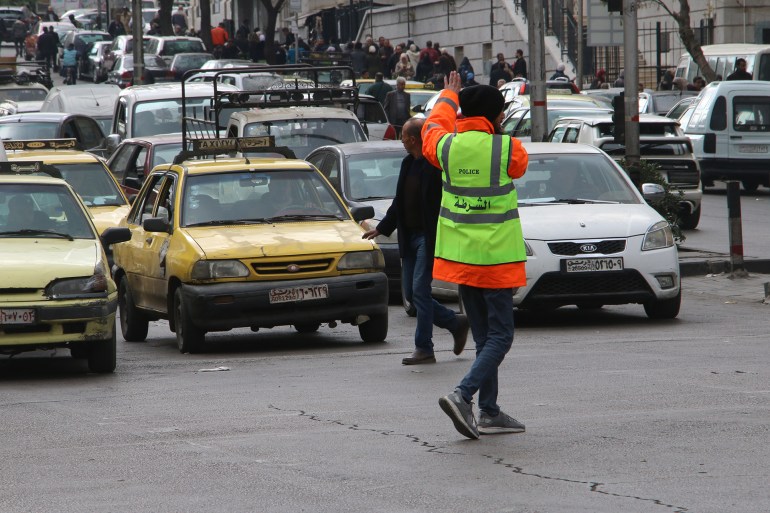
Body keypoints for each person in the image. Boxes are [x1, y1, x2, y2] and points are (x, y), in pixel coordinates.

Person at [423, 70, 529, 439]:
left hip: (462, 259)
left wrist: (449, 98)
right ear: (495, 117)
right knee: (501, 338)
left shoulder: (446, 145)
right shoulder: (507, 147)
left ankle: (489, 411)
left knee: (485, 339)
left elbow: (429, 130)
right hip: (496, 259)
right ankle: (462, 394)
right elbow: (519, 166)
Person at [363, 118, 470, 365]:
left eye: (403, 136)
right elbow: (399, 202)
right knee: (411, 293)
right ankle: (455, 322)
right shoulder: (407, 163)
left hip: (428, 237)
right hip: (408, 237)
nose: (401, 140)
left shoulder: (435, 166)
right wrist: (381, 228)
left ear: (412, 139)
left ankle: (424, 348)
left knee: (420, 290)